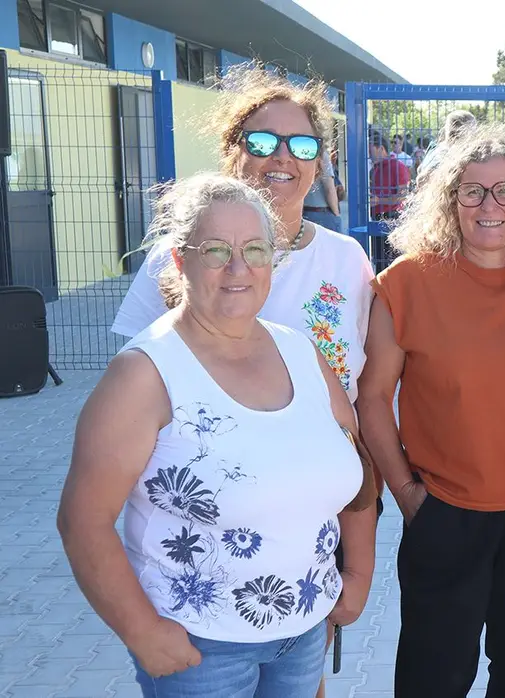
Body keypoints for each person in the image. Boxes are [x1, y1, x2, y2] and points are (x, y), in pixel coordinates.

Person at [107, 63, 380, 698]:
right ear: (232, 152)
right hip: (207, 568)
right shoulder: (177, 254)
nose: (282, 158)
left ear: (321, 163)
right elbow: (137, 404)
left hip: (313, 535)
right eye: (261, 141)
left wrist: (358, 565)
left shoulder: (347, 260)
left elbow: (361, 402)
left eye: (303, 144)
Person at [356, 123, 505, 697]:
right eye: (472, 190)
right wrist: (407, 494)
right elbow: (372, 399)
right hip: (445, 511)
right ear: (449, 198)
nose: (489, 205)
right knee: (433, 679)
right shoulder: (406, 284)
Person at [302, 147, 342, 233]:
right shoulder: (321, 154)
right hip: (322, 213)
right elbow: (329, 189)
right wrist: (337, 215)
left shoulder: (298, 153)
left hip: (302, 213)